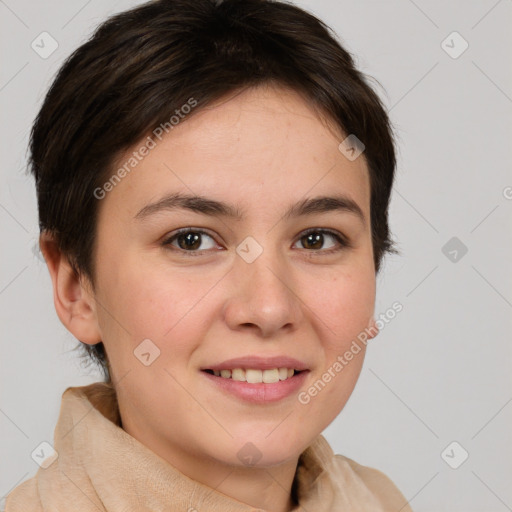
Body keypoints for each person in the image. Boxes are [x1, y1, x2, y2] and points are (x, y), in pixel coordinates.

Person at [5, 0, 412, 510]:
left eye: (317, 239)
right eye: (191, 240)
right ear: (75, 287)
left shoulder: (380, 501)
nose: (268, 309)